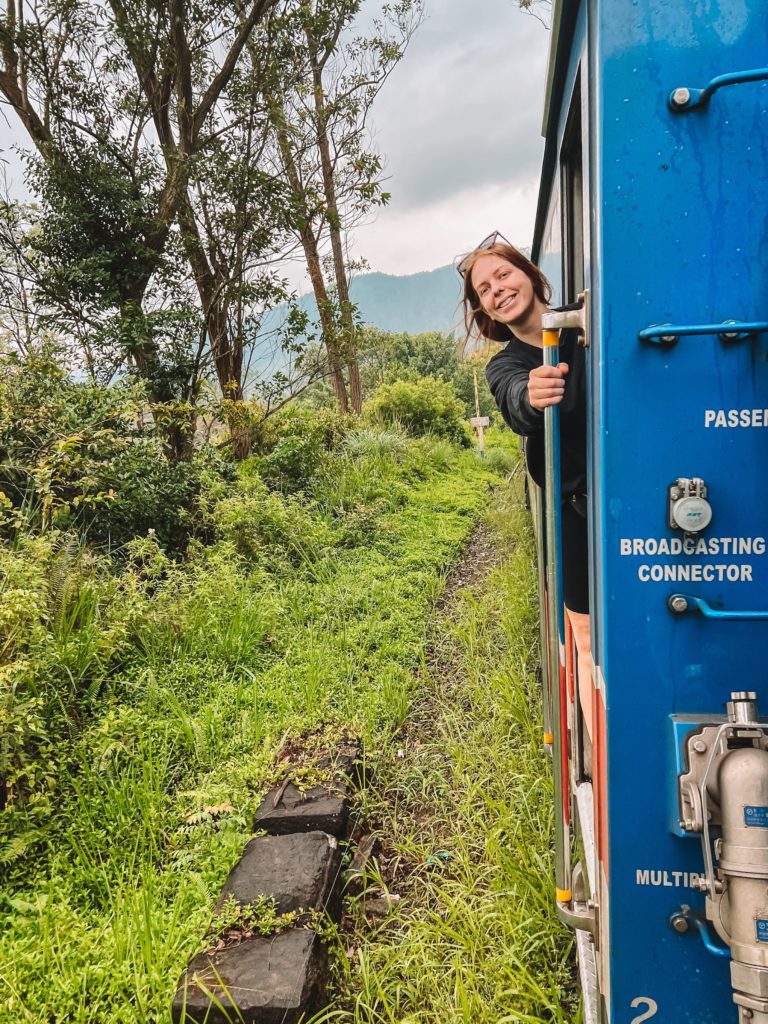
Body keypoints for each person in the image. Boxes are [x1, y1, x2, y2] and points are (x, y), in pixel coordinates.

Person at [458, 233, 593, 739]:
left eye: (503, 275)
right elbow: (515, 398)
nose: (497, 289)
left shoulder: (589, 321)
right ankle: (600, 756)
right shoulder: (506, 365)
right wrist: (534, 396)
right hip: (574, 511)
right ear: (485, 311)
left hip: (629, 498)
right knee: (582, 633)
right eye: (484, 289)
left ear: (531, 276)